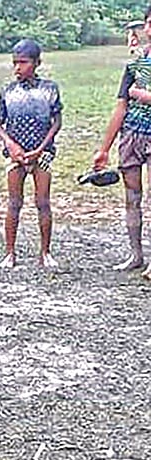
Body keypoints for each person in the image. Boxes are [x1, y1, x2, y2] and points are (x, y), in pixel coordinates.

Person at [0, 38, 62, 269]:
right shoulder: (7, 92)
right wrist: (10, 144)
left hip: (41, 154)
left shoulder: (50, 90)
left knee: (43, 202)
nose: (17, 68)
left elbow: (56, 121)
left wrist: (41, 149)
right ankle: (10, 253)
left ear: (37, 63)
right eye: (15, 63)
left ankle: (45, 252)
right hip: (16, 156)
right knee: (14, 203)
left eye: (23, 63)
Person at [95, 8, 151, 276]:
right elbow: (120, 106)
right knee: (132, 197)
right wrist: (104, 149)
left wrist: (144, 95)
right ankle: (136, 255)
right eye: (150, 23)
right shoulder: (134, 65)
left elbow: (137, 96)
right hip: (131, 135)